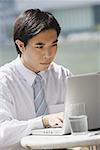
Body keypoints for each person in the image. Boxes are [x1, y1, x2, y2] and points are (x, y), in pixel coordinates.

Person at [0, 9, 72, 150]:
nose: (48, 54)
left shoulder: (63, 75)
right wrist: (43, 122)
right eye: (40, 46)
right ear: (21, 45)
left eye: (54, 45)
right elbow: (2, 133)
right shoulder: (4, 81)